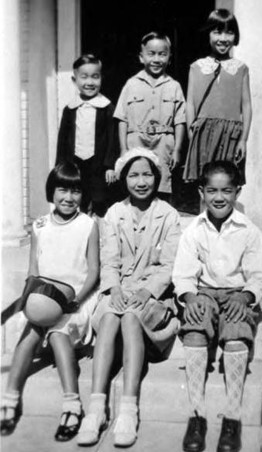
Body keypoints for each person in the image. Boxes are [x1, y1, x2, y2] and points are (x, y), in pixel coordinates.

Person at [77, 148, 180, 448]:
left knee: (133, 317)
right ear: (124, 180)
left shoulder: (169, 215)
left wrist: (147, 290)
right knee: (109, 316)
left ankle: (128, 409)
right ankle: (96, 408)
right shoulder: (114, 214)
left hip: (153, 296)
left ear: (157, 177)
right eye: (133, 175)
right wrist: (116, 289)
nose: (141, 181)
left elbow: (169, 266)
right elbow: (109, 261)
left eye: (147, 174)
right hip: (119, 289)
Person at [173, 160, 262, 452]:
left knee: (237, 333)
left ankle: (232, 417)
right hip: (203, 292)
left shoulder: (248, 231)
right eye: (212, 190)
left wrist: (246, 297)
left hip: (236, 294)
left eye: (226, 191)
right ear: (201, 191)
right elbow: (183, 274)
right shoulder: (193, 230)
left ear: (237, 192)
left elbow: (258, 277)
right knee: (195, 330)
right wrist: (189, 298)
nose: (219, 197)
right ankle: (197, 415)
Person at [0, 162, 99, 441]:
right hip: (43, 297)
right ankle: (10, 398)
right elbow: (33, 270)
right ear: (51, 192)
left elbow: (93, 271)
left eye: (75, 191)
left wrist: (77, 300)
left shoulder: (88, 225)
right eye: (62, 190)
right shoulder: (40, 226)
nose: (68, 197)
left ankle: (72, 404)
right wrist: (30, 299)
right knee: (28, 336)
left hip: (75, 301)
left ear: (83, 194)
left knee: (58, 334)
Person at [114, 32, 186, 200]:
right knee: (136, 183)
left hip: (163, 142)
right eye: (151, 53)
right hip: (136, 140)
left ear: (169, 58)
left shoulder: (174, 86)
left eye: (162, 54)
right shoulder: (131, 84)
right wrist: (123, 149)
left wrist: (177, 150)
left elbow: (180, 121)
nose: (156, 59)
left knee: (161, 186)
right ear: (141, 57)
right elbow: (122, 118)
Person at [183, 9, 252, 186]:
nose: (223, 38)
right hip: (204, 133)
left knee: (228, 183)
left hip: (231, 136)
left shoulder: (241, 68)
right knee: (204, 183)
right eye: (217, 31)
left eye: (229, 32)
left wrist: (243, 140)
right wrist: (192, 135)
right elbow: (190, 102)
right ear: (208, 34)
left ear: (235, 36)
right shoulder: (197, 67)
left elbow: (246, 105)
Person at [56, 54, 119, 217]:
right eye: (84, 77)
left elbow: (113, 138)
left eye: (95, 77)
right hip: (75, 162)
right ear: (74, 79)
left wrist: (110, 165)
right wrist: (60, 166)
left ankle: (100, 234)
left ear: (101, 78)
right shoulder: (70, 109)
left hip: (98, 164)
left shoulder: (107, 107)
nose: (90, 82)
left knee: (100, 199)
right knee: (78, 196)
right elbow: (62, 140)